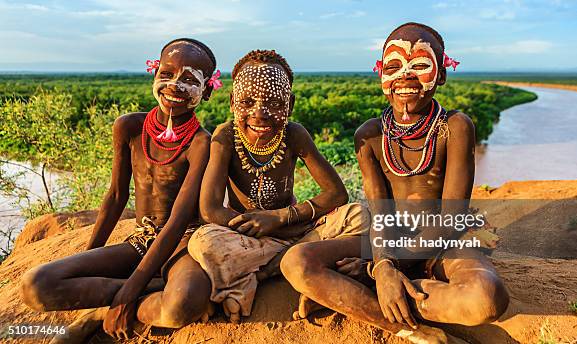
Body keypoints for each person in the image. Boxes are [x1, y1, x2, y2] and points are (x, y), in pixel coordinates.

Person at [280, 22, 509, 343]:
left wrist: (382, 268)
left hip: (443, 243)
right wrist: (384, 263)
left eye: (419, 65)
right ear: (381, 75)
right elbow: (380, 212)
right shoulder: (370, 135)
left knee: (485, 298)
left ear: (441, 74)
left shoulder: (455, 127)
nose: (405, 75)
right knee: (297, 262)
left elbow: (451, 218)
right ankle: (412, 328)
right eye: (394, 66)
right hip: (388, 240)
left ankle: (361, 297)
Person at [21, 38, 220, 340]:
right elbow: (116, 195)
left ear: (206, 91)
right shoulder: (128, 127)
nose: (175, 86)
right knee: (35, 286)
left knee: (181, 304)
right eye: (167, 74)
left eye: (189, 80)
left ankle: (108, 309)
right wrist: (91, 257)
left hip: (182, 246)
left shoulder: (201, 143)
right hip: (141, 241)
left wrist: (128, 292)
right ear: (154, 74)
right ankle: (152, 288)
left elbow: (179, 220)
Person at [189, 49, 370, 323]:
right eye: (247, 102)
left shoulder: (294, 134)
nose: (259, 113)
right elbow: (211, 209)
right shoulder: (225, 136)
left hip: (297, 231)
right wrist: (256, 225)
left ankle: (259, 275)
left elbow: (337, 194)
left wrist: (280, 218)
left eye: (274, 103)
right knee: (204, 242)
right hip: (248, 237)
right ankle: (290, 266)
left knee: (360, 215)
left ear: (291, 104)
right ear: (231, 102)